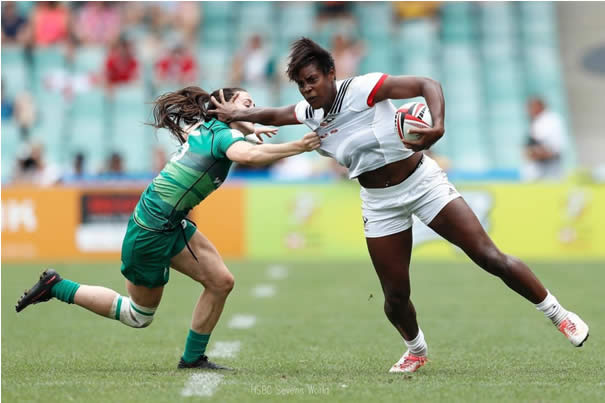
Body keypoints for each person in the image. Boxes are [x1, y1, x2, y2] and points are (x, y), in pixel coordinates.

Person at [208, 38, 590, 373]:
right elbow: (271, 114)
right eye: (302, 84)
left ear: (331, 73)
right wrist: (235, 115)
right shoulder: (309, 115)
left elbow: (428, 84)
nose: (308, 89)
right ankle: (416, 350)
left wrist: (437, 126)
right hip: (379, 202)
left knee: (488, 256)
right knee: (394, 297)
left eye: (313, 79)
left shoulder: (363, 88)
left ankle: (560, 315)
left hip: (423, 183)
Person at [15, 86, 320, 370]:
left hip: (168, 221)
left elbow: (240, 140)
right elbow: (249, 154)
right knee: (137, 316)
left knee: (221, 281)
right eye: (246, 104)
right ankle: (57, 286)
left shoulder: (208, 129)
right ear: (223, 110)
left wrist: (250, 126)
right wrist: (299, 146)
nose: (253, 109)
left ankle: (192, 358)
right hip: (152, 231)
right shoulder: (222, 137)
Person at [523, 97, 566, 181]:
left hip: (551, 162)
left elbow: (554, 145)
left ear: (540, 106)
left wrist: (538, 152)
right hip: (539, 163)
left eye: (532, 107)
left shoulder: (552, 120)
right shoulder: (536, 121)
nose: (529, 111)